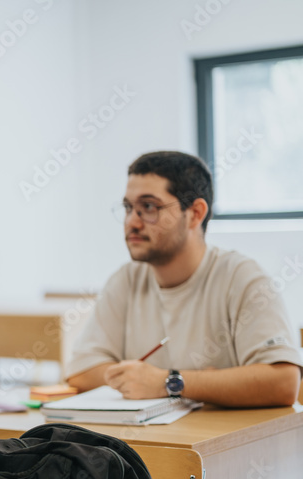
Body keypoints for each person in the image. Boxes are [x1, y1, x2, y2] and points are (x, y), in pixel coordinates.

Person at [65, 151, 301, 407]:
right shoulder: (127, 279)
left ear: (195, 213)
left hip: (219, 444)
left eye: (149, 207)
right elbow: (80, 372)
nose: (132, 222)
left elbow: (285, 382)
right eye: (128, 208)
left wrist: (169, 382)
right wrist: (140, 380)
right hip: (154, 443)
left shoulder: (242, 277)